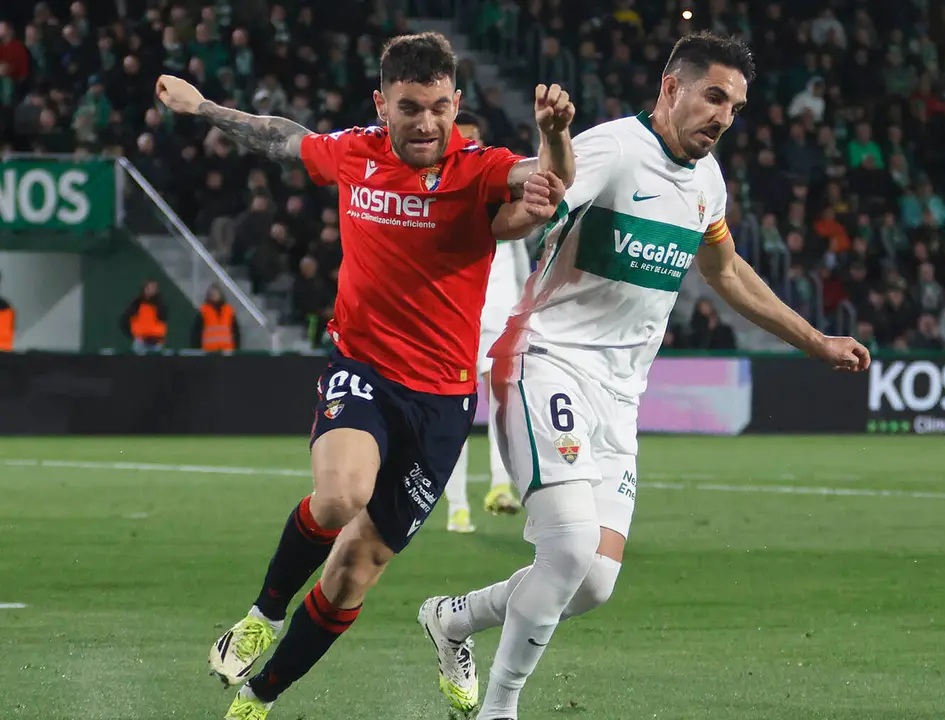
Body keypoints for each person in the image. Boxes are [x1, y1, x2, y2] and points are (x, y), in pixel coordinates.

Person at [419, 32, 871, 720]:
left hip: (620, 396)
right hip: (546, 360)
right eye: (713, 96)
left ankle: (453, 619)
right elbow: (532, 209)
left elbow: (724, 271)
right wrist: (537, 171)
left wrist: (814, 341)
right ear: (670, 88)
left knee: (592, 583)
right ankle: (500, 709)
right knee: (569, 549)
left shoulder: (708, 182)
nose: (723, 117)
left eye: (735, 107)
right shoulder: (611, 150)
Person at [154, 30, 576, 720]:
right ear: (382, 105)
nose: (427, 123)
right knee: (340, 495)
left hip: (442, 401)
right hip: (365, 370)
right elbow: (282, 137)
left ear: (456, 102)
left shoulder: (479, 167)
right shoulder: (356, 153)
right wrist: (203, 107)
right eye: (410, 107)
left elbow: (551, 180)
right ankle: (263, 614)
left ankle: (257, 700)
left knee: (356, 570)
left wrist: (555, 135)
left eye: (439, 107)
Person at [442, 110, 526, 533]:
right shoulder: (440, 196)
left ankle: (500, 485)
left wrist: (523, 311)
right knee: (456, 415)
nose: (470, 144)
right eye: (463, 137)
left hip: (497, 320)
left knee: (502, 409)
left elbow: (520, 260)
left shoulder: (500, 190)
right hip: (456, 322)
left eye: (475, 137)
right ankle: (456, 505)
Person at [120, 280, 168, 352]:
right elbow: (125, 319)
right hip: (140, 341)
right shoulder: (137, 303)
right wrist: (133, 334)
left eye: (154, 288)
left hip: (157, 341)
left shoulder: (161, 305)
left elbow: (163, 319)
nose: (151, 291)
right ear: (144, 289)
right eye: (149, 288)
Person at [192, 284, 240, 352]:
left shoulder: (229, 311)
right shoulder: (203, 311)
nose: (214, 295)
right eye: (212, 294)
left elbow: (236, 332)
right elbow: (196, 333)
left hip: (227, 351)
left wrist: (236, 348)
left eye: (216, 293)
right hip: (209, 352)